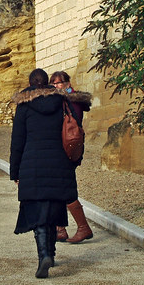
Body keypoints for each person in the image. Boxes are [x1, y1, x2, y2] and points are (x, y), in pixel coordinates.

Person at [10, 68, 92, 278]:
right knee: (54, 209)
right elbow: (75, 132)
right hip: (59, 164)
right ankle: (51, 254)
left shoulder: (24, 105)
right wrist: (75, 161)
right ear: (47, 83)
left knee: (38, 213)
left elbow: (17, 142)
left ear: (30, 83)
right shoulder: (62, 101)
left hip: (32, 165)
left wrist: (15, 172)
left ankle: (44, 254)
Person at [50, 71, 95, 244]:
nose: (56, 86)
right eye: (53, 83)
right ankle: (60, 229)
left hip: (65, 151)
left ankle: (83, 228)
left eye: (59, 83)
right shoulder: (70, 101)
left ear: (68, 84)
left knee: (66, 188)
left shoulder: (70, 102)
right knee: (58, 187)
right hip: (67, 150)